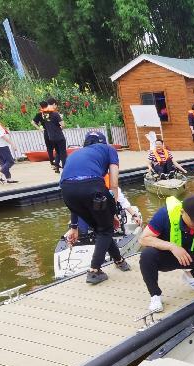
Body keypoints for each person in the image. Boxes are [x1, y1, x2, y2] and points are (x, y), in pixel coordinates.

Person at [60, 130, 132, 284]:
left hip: (67, 191)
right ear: (103, 142)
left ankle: (119, 261)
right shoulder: (108, 149)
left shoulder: (74, 154)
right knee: (106, 229)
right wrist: (112, 210)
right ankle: (94, 271)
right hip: (93, 187)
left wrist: (74, 226)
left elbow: (73, 188)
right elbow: (113, 184)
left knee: (103, 229)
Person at [43, 98, 67, 172]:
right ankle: (65, 168)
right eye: (56, 105)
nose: (56, 107)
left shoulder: (44, 114)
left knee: (57, 151)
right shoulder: (55, 113)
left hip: (51, 137)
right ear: (54, 104)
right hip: (59, 136)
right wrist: (61, 122)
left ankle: (56, 165)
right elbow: (62, 125)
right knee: (63, 152)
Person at [31, 100, 54, 168]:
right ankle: (58, 161)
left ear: (40, 107)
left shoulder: (39, 114)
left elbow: (32, 122)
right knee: (57, 146)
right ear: (47, 105)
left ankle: (52, 163)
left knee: (49, 148)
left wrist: (39, 128)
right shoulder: (52, 113)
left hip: (46, 132)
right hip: (54, 131)